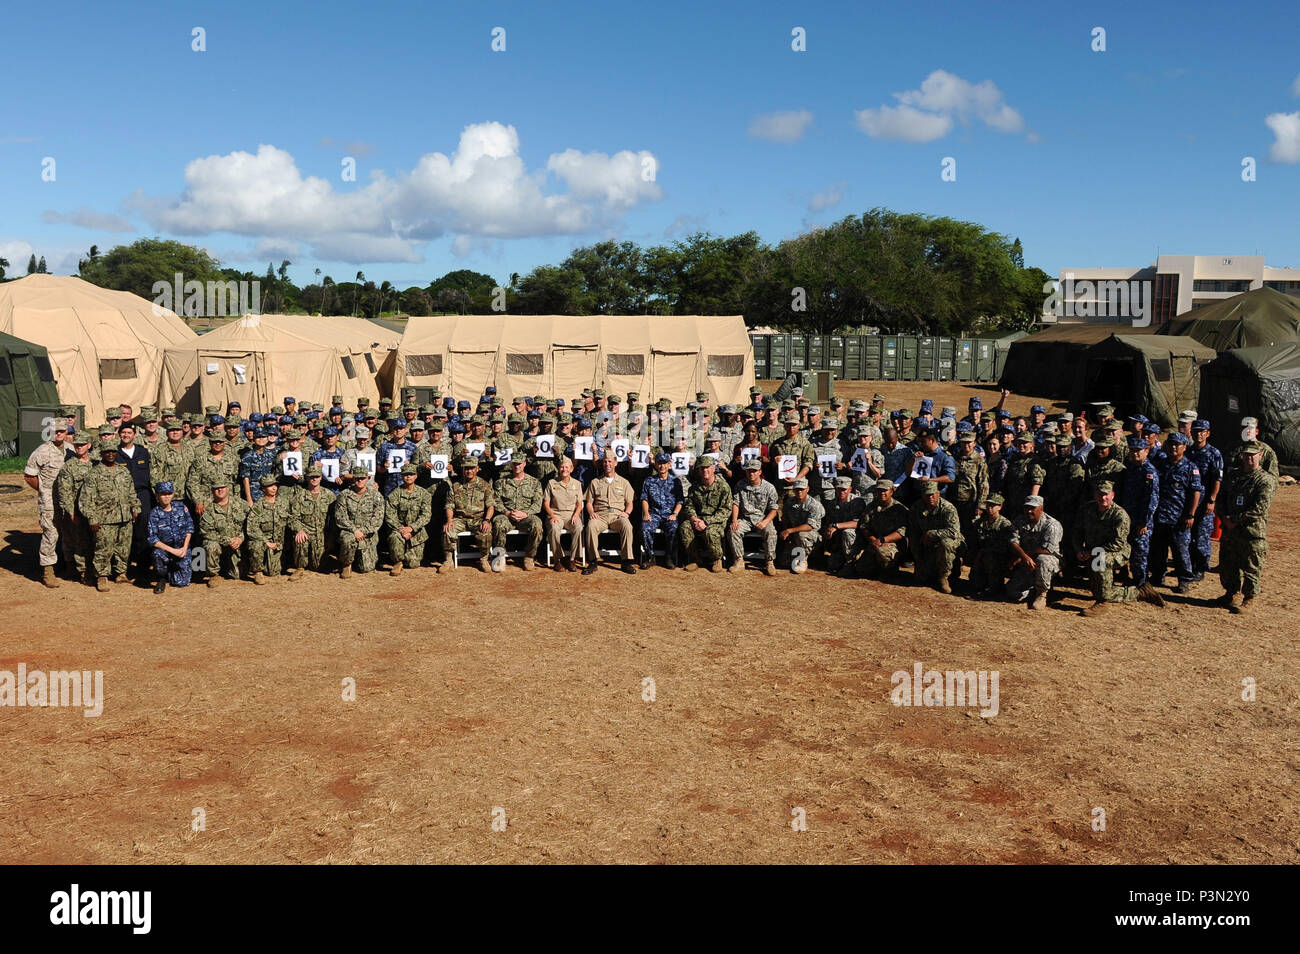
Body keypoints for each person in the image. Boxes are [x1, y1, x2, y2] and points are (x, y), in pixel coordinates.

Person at [1217, 442, 1276, 614]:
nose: (1249, 458)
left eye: (1253, 455)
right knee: (1229, 563)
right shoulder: (1233, 476)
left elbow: (1260, 508)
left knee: (1251, 566)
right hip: (1230, 530)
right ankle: (1231, 593)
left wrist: (1235, 520)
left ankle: (1250, 598)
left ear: (1260, 455)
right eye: (1246, 455)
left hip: (1252, 532)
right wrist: (1225, 517)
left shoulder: (1265, 480)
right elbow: (1221, 497)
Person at [78, 439, 141, 591]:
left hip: (124, 517)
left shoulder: (123, 471)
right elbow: (86, 499)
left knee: (123, 548)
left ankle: (121, 573)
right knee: (103, 549)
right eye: (107, 452)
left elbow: (131, 492)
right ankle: (102, 576)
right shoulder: (94, 474)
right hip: (104, 519)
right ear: (102, 454)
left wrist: (136, 508)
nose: (111, 454)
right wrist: (92, 519)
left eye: (113, 452)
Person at [1074, 480, 1138, 616]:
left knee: (1100, 560)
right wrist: (1079, 549)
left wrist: (1091, 553)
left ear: (1113, 495)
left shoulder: (1120, 515)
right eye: (1099, 494)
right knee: (1098, 588)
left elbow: (1118, 543)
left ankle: (1102, 603)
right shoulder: (1087, 509)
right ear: (1094, 495)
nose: (1103, 498)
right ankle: (1138, 592)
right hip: (1093, 552)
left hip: (1117, 552)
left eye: (1106, 494)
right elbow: (1077, 532)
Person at [1149, 432, 1202, 594]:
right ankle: (1158, 575)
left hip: (1179, 518)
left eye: (1177, 444)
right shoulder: (1160, 463)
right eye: (1171, 444)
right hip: (1159, 515)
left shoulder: (1190, 467)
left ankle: (1184, 580)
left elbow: (1195, 492)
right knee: (1158, 549)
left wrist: (1191, 514)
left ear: (1184, 447)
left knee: (1180, 550)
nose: (1173, 447)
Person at [23, 417, 70, 587]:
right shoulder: (41, 451)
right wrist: (43, 491)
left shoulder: (71, 449)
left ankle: (67, 564)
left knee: (68, 532)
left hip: (68, 501)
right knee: (51, 533)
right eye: (55, 431)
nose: (58, 434)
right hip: (49, 500)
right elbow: (29, 476)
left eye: (62, 431)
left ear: (66, 432)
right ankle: (47, 569)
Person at [1120, 436, 1163, 605]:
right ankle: (1131, 580)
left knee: (1140, 554)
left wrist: (1143, 523)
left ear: (1147, 451)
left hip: (1140, 522)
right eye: (1132, 450)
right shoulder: (1130, 468)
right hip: (1127, 519)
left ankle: (1141, 584)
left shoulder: (1149, 472)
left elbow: (1152, 501)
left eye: (1139, 450)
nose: (1135, 453)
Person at [843, 479, 910, 578]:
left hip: (892, 544)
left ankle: (891, 568)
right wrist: (873, 540)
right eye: (879, 490)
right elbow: (864, 526)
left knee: (883, 553)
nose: (882, 493)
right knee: (861, 569)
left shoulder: (900, 509)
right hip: (875, 541)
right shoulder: (871, 506)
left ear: (892, 491)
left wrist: (882, 540)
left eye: (885, 490)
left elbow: (901, 532)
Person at [583, 451, 637, 574]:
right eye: (605, 461)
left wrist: (627, 513)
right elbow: (589, 502)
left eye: (610, 461)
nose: (607, 464)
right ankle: (593, 561)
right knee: (591, 526)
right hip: (600, 516)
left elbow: (630, 502)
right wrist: (591, 513)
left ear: (615, 463)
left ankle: (626, 561)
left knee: (627, 525)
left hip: (617, 516)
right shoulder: (595, 482)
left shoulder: (624, 482)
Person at [1005, 494, 1062, 609]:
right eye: (1026, 508)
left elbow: (1047, 549)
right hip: (1027, 561)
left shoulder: (1052, 524)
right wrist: (1024, 556)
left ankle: (1042, 594)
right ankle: (1033, 590)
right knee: (1011, 592)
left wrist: (1023, 556)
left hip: (1048, 560)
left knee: (1043, 559)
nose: (1029, 511)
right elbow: (1013, 541)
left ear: (1041, 509)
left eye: (1033, 508)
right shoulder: (1019, 520)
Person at [54, 432, 95, 583]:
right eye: (76, 445)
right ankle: (83, 572)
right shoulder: (69, 466)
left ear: (89, 445)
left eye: (82, 444)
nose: (79, 447)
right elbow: (64, 492)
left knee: (95, 541)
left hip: (94, 510)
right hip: (77, 510)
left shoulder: (96, 463)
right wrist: (71, 512)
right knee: (80, 542)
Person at [679, 457, 733, 572]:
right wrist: (694, 518)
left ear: (713, 468)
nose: (705, 470)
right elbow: (689, 505)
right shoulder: (694, 487)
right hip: (698, 519)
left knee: (710, 532)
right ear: (698, 471)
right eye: (702, 468)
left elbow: (725, 510)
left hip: (716, 521)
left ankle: (716, 559)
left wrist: (706, 522)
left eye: (707, 467)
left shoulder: (723, 487)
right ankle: (695, 560)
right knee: (685, 527)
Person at [908, 479, 962, 594]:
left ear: (938, 493)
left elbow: (954, 532)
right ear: (922, 495)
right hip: (927, 545)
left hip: (945, 544)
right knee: (921, 579)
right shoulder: (916, 508)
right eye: (927, 495)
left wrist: (931, 533)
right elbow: (913, 533)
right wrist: (918, 558)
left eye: (932, 494)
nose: (930, 498)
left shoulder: (948, 508)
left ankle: (944, 577)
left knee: (946, 543)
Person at [492, 455, 543, 570]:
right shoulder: (501, 482)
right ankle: (498, 556)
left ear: (524, 464)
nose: (517, 466)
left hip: (526, 517)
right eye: (514, 463)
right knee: (498, 523)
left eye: (519, 463)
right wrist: (507, 513)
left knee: (537, 525)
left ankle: (529, 557)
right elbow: (496, 501)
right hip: (507, 516)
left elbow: (537, 504)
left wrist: (526, 514)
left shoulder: (534, 483)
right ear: (511, 464)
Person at [444, 457, 495, 572]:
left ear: (477, 468)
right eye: (466, 468)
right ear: (463, 470)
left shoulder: (484, 485)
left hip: (478, 519)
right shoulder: (455, 486)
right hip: (460, 519)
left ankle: (483, 558)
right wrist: (449, 520)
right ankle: (448, 559)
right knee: (448, 529)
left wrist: (486, 520)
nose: (469, 471)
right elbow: (449, 506)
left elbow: (491, 506)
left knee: (486, 531)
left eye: (472, 468)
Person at [728, 458, 778, 575]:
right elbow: (735, 503)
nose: (751, 473)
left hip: (762, 518)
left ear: (760, 472)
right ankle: (739, 560)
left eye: (754, 471)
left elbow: (774, 509)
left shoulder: (769, 488)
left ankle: (770, 561)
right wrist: (734, 520)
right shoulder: (740, 485)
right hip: (745, 519)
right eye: (749, 471)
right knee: (733, 530)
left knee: (771, 532)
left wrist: (765, 522)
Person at [1186, 419, 1223, 581]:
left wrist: (1212, 500)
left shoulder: (1213, 453)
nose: (1198, 435)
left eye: (1202, 432)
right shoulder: (1188, 452)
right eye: (1195, 431)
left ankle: (1201, 567)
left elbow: (1217, 479)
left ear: (1208, 434)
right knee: (1188, 536)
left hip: (1205, 501)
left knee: (1202, 535)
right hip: (1189, 501)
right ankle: (1190, 566)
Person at [336, 466, 386, 578]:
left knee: (367, 568)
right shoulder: (344, 495)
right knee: (347, 539)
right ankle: (346, 564)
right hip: (349, 531)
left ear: (368, 478)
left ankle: (360, 558)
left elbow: (377, 519)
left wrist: (363, 531)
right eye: (357, 478)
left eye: (362, 478)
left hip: (368, 533)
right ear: (353, 479)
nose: (359, 481)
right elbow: (340, 517)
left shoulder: (376, 496)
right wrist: (354, 530)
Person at [199, 479, 250, 586]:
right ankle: (213, 575)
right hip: (220, 544)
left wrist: (241, 538)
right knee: (211, 546)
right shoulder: (208, 509)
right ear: (212, 491)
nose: (220, 490)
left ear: (228, 488)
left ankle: (229, 567)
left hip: (238, 544)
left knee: (236, 576)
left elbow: (253, 523)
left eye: (222, 487)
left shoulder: (242, 504)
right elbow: (207, 532)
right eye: (217, 488)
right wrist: (228, 540)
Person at [639, 452, 684, 570]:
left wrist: (675, 514)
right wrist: (646, 513)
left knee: (673, 528)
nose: (662, 466)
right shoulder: (649, 480)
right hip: (654, 513)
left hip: (669, 515)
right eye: (659, 463)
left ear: (669, 465)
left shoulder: (676, 481)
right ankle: (650, 557)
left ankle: (669, 557)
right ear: (656, 465)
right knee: (645, 528)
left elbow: (680, 501)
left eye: (665, 463)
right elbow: (644, 498)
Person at [146, 481, 193, 593]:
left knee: (182, 582)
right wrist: (173, 551)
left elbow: (189, 528)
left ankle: (171, 570)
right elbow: (152, 539)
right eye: (163, 494)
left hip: (181, 548)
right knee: (157, 554)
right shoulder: (154, 514)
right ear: (157, 495)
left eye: (169, 493)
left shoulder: (181, 507)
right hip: (165, 550)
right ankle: (161, 577)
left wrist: (185, 548)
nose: (166, 497)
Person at [386, 464, 433, 575]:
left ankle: (406, 556)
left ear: (416, 476)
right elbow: (389, 515)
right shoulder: (394, 494)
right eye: (406, 475)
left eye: (411, 474)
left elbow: (426, 515)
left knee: (413, 564)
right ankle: (397, 562)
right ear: (402, 476)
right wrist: (401, 529)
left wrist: (412, 528)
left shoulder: (424, 494)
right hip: (399, 530)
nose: (408, 477)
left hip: (416, 532)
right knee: (394, 536)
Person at [966, 494, 1016, 599]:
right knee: (975, 584)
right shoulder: (981, 522)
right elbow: (975, 540)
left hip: (997, 558)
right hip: (982, 556)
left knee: (990, 558)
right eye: (988, 505)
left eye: (993, 505)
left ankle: (994, 587)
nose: (989, 508)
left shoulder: (1005, 524)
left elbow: (1005, 547)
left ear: (1000, 507)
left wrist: (982, 553)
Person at [289, 463, 334, 578]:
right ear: (307, 478)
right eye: (311, 477)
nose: (314, 479)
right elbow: (293, 517)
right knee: (299, 539)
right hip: (306, 532)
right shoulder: (299, 496)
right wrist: (299, 530)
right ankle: (299, 568)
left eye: (317, 477)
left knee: (318, 567)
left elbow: (335, 518)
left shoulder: (329, 495)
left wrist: (331, 537)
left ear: (321, 478)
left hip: (322, 534)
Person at [245, 475, 290, 584]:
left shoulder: (283, 504)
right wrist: (266, 542)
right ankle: (258, 572)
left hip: (278, 543)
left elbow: (291, 521)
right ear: (263, 489)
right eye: (270, 486)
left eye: (275, 485)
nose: (274, 488)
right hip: (263, 542)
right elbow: (252, 528)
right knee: (255, 544)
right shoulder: (258, 507)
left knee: (273, 572)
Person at [543, 455, 584, 571]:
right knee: (554, 528)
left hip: (571, 515)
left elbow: (579, 504)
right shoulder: (551, 483)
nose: (564, 469)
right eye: (562, 467)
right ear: (558, 468)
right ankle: (558, 559)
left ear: (571, 469)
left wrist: (576, 515)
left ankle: (572, 559)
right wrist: (552, 516)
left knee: (578, 527)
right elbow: (546, 503)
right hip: (556, 514)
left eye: (567, 467)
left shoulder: (577, 484)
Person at [777, 477, 823, 573]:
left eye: (802, 489)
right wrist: (788, 536)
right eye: (797, 489)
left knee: (801, 534)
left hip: (810, 536)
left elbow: (809, 526)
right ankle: (794, 550)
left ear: (807, 489)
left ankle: (803, 559)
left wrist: (789, 531)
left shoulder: (814, 505)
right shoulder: (790, 502)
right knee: (783, 563)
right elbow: (785, 521)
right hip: (794, 536)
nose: (799, 492)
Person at [821, 476, 865, 572]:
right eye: (838, 489)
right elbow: (829, 522)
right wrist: (829, 530)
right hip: (840, 539)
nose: (841, 492)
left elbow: (858, 523)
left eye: (844, 489)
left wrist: (836, 526)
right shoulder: (833, 503)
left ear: (850, 489)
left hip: (856, 537)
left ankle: (851, 560)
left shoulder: (857, 501)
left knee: (848, 532)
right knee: (832, 565)